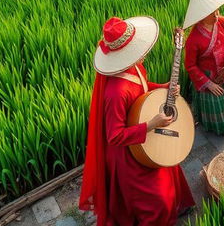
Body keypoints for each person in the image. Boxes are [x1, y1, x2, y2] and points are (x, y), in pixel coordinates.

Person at [79, 16, 194, 226]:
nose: (142, 52)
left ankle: (175, 207)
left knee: (167, 168)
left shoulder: (135, 68)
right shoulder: (116, 93)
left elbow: (142, 86)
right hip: (128, 155)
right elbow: (114, 136)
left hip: (143, 139)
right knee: (157, 202)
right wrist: (152, 124)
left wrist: (163, 86)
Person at [183, 0, 224, 135]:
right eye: (211, 13)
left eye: (217, 10)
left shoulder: (222, 22)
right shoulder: (193, 39)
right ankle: (217, 128)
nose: (216, 14)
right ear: (201, 17)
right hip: (208, 77)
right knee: (216, 102)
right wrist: (208, 84)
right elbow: (190, 66)